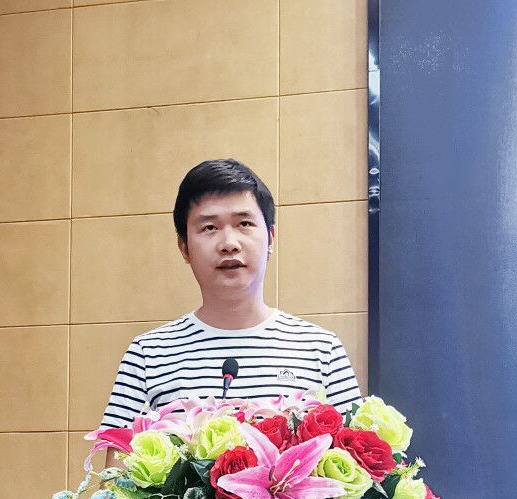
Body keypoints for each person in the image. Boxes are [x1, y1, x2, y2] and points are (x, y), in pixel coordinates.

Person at [99, 159, 362, 450]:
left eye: (244, 224)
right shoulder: (148, 355)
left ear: (271, 237)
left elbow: (359, 468)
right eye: (209, 227)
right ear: (184, 248)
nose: (229, 243)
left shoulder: (322, 350)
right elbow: (115, 472)